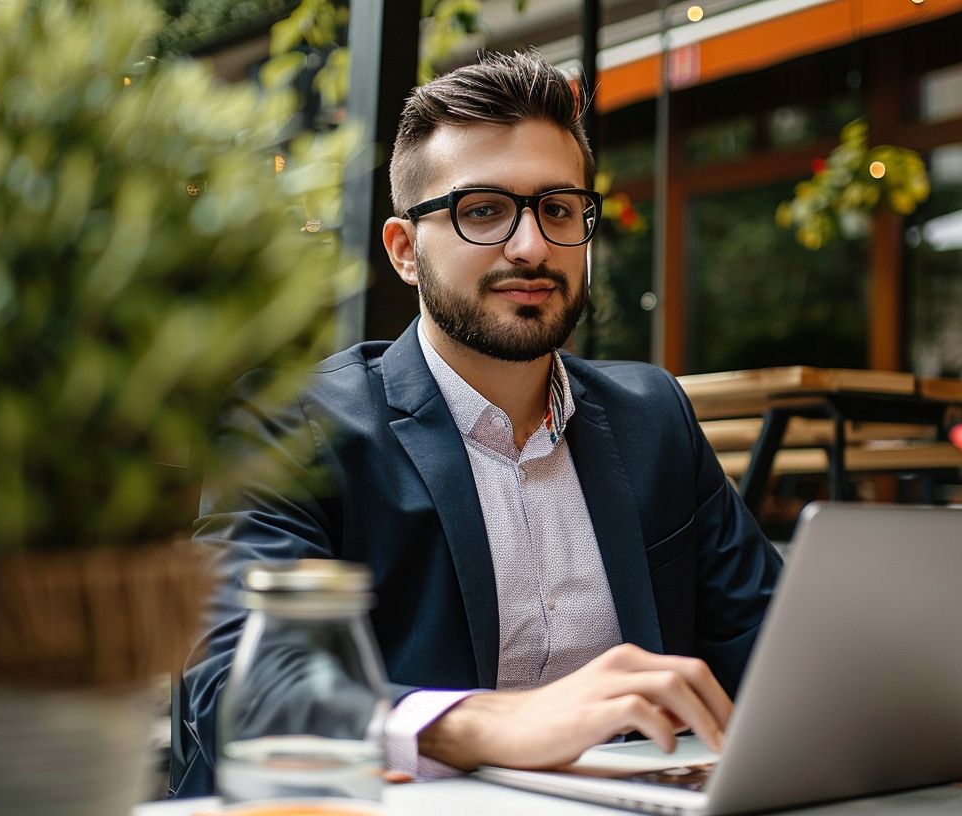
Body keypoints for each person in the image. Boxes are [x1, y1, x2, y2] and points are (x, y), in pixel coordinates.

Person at [170, 50, 782, 797]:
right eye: (482, 210)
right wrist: (489, 726)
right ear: (403, 250)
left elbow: (782, 655)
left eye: (557, 209)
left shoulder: (653, 417)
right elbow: (239, 683)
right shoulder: (294, 428)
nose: (530, 246)